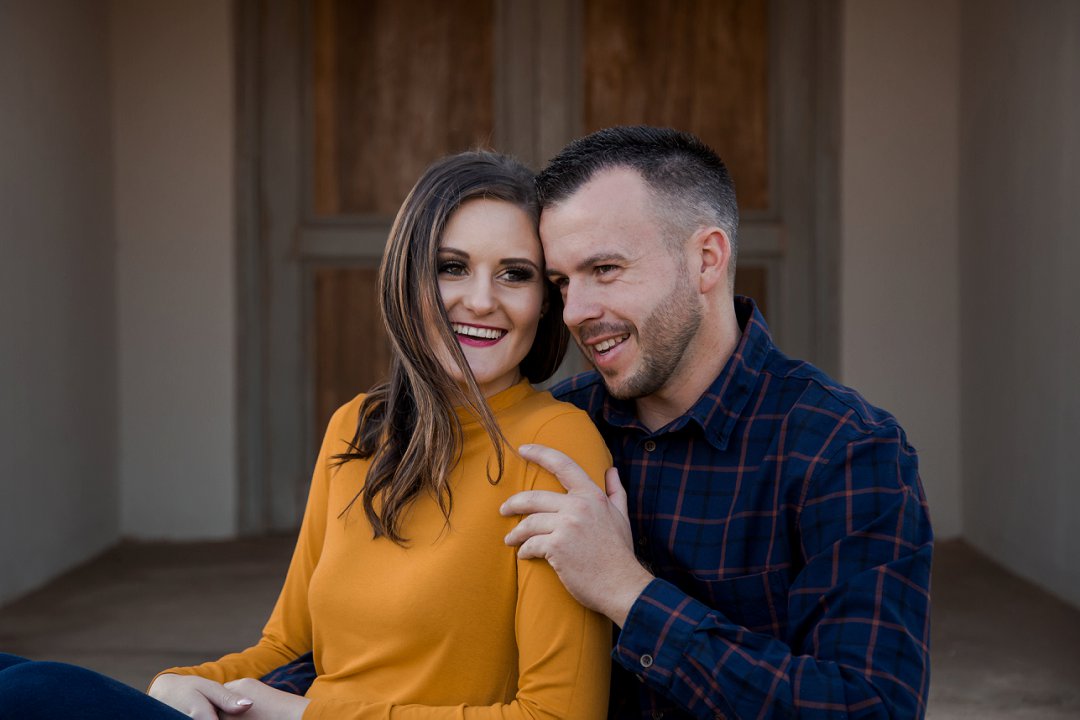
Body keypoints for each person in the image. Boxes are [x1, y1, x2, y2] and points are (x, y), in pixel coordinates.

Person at [0, 151, 613, 719]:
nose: (480, 300)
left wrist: (312, 716)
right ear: (405, 276)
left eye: (515, 275)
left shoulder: (555, 442)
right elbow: (287, 643)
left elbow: (560, 715)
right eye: (451, 267)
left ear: (544, 301)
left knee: (32, 693)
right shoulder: (359, 425)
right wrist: (180, 681)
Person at [496, 126, 934, 719]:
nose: (575, 312)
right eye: (562, 282)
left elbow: (868, 708)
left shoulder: (847, 449)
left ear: (706, 258)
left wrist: (629, 593)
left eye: (605, 269)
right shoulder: (557, 427)